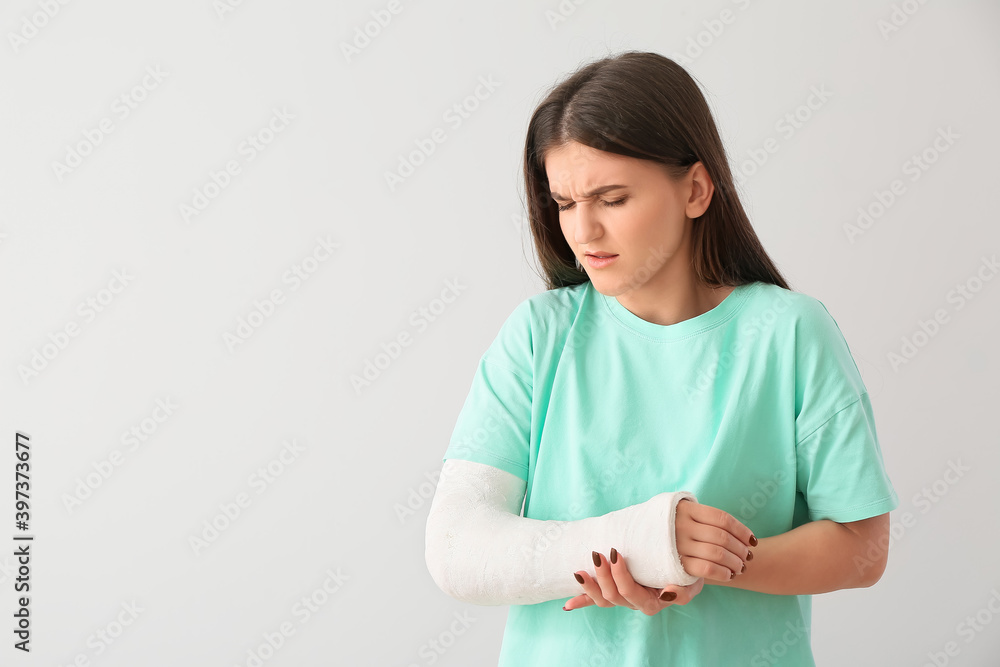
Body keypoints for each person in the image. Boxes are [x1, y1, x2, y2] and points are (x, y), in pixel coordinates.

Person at [424, 50, 898, 666]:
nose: (583, 231)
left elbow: (863, 547)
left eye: (612, 199)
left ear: (696, 190)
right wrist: (637, 544)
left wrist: (703, 561)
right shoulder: (538, 336)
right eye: (565, 203)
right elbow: (457, 548)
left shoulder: (790, 333)